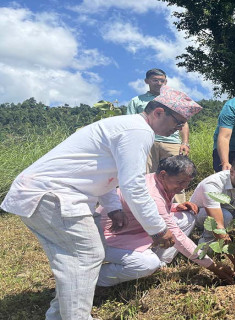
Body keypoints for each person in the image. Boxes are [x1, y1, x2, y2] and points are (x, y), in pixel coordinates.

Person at [0, 85, 202, 319]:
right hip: (53, 194)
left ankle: (58, 315)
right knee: (84, 257)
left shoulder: (128, 127)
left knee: (82, 260)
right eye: (177, 123)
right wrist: (157, 230)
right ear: (158, 112)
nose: (177, 129)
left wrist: (114, 207)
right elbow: (132, 184)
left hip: (56, 194)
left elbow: (103, 171)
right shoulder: (139, 130)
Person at [96, 155, 234, 287]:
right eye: (180, 182)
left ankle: (161, 262)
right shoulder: (151, 193)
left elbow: (156, 212)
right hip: (106, 240)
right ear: (163, 175)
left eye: (187, 183)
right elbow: (177, 236)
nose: (183, 187)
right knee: (147, 264)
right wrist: (212, 266)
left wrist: (174, 207)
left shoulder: (156, 181)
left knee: (186, 216)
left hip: (131, 231)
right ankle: (96, 278)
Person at [127, 69, 191, 204]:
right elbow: (131, 123)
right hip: (148, 142)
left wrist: (185, 142)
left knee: (178, 173)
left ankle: (178, 207)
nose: (159, 83)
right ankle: (148, 206)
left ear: (166, 82)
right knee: (146, 176)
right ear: (147, 81)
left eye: (162, 80)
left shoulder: (173, 100)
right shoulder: (137, 101)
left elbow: (183, 123)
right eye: (155, 80)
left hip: (172, 143)